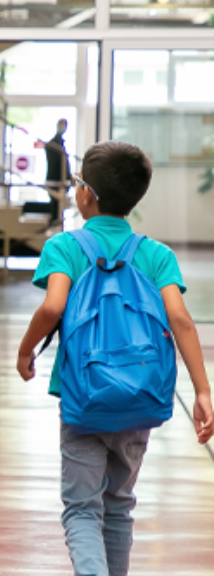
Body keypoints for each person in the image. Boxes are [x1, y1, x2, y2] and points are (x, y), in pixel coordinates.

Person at [17, 141, 214, 576]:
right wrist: (202, 389)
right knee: (119, 506)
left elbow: (52, 308)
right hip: (140, 398)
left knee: (82, 509)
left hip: (84, 398)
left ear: (87, 193)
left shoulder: (65, 248)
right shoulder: (156, 254)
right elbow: (180, 320)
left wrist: (26, 349)